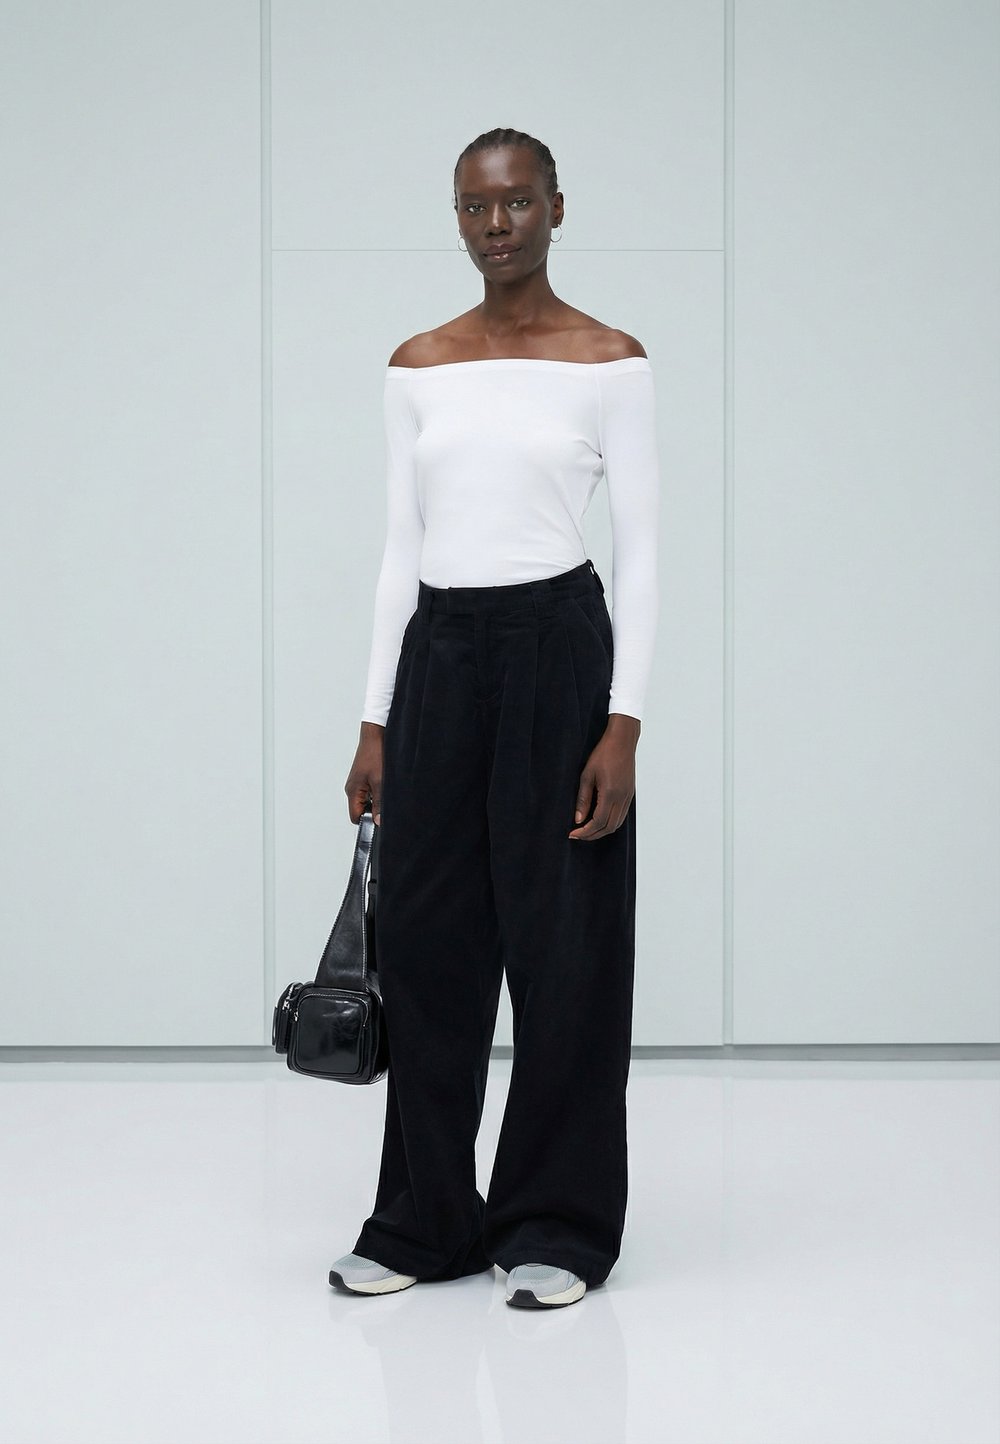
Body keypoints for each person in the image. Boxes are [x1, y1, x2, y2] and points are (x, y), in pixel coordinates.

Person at [331, 126, 660, 1309]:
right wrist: (374, 719)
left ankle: (557, 1222)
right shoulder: (417, 366)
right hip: (438, 653)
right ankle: (426, 1219)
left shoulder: (609, 361)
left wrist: (623, 721)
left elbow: (644, 551)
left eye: (518, 202)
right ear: (457, 218)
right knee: (429, 946)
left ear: (557, 208)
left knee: (564, 945)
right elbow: (401, 548)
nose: (496, 225)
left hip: (557, 649)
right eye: (475, 207)